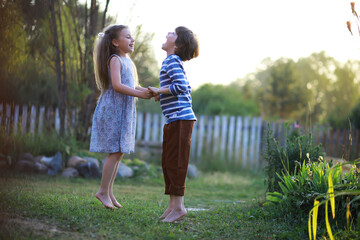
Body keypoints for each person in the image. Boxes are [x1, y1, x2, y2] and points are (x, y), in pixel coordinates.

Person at [90, 24, 152, 209]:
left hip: (124, 110)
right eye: (127, 37)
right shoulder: (115, 60)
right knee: (115, 151)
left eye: (132, 36)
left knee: (120, 152)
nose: (132, 39)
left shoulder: (129, 62)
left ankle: (109, 192)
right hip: (113, 110)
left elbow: (134, 85)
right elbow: (117, 86)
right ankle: (102, 191)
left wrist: (149, 91)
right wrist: (139, 94)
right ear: (115, 42)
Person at [148, 26, 199, 222]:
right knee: (169, 162)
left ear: (177, 44)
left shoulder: (172, 61)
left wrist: (159, 91)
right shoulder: (171, 61)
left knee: (177, 163)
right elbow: (183, 87)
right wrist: (162, 95)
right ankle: (172, 206)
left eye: (172, 33)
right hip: (174, 119)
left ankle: (179, 207)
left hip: (181, 119)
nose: (167, 34)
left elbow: (181, 87)